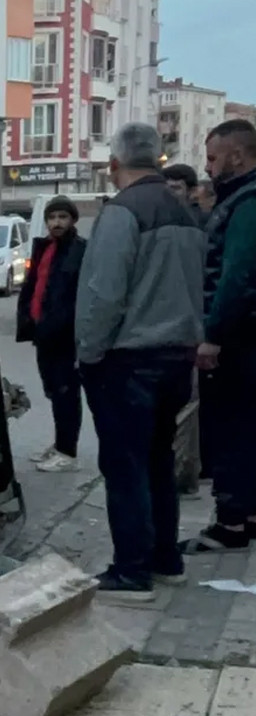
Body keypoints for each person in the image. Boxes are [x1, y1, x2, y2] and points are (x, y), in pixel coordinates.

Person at [74, 122, 207, 601]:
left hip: (128, 360)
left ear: (115, 165)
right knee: (157, 461)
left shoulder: (122, 212)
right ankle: (165, 558)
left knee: (125, 466)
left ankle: (131, 571)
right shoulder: (185, 212)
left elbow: (103, 294)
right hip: (178, 357)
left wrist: (89, 354)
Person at [179, 119, 256, 554]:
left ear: (237, 156)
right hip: (245, 336)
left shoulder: (245, 202)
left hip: (239, 340)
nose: (207, 168)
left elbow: (237, 276)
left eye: (212, 158)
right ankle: (246, 514)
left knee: (229, 428)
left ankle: (229, 523)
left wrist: (213, 335)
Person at [17, 196, 87, 473]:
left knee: (66, 392)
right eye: (52, 218)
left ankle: (68, 451)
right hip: (44, 333)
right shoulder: (44, 248)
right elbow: (34, 287)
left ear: (72, 220)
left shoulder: (79, 251)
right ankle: (59, 444)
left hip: (66, 336)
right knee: (53, 391)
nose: (57, 223)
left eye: (62, 217)